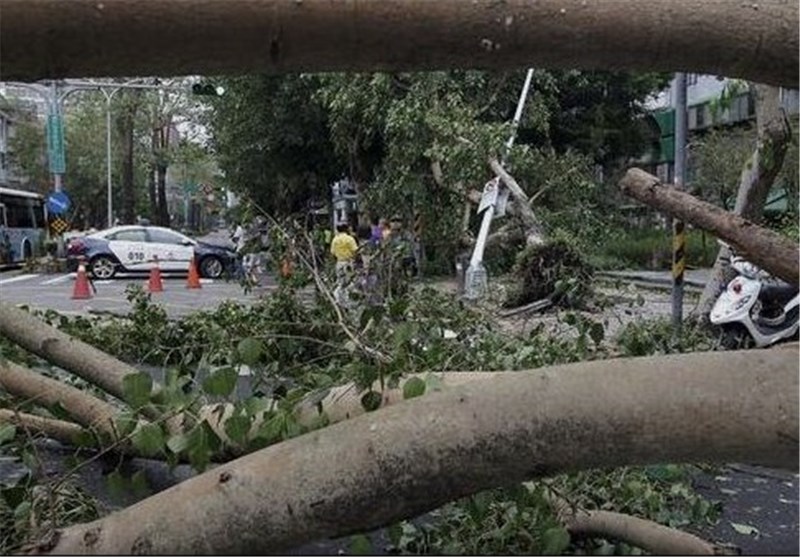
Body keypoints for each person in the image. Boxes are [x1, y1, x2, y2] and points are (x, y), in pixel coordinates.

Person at [330, 223, 358, 306]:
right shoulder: (350, 239)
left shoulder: (335, 239)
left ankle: (339, 300)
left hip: (339, 262)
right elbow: (355, 250)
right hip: (349, 262)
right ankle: (347, 301)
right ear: (346, 229)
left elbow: (332, 253)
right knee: (350, 282)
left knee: (340, 281)